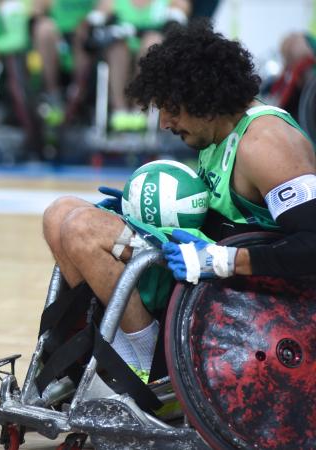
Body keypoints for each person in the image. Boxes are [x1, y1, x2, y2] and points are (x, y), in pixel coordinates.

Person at [41, 20, 316, 382]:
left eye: (172, 108)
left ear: (205, 96)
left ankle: (148, 371)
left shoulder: (265, 144)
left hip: (235, 293)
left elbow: (311, 245)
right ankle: (113, 352)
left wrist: (223, 260)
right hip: (192, 269)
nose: (166, 122)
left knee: (82, 229)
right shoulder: (219, 133)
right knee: (59, 213)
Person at [85, 0, 190, 132]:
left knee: (152, 43)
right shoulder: (111, 3)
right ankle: (119, 110)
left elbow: (179, 25)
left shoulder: (171, 2)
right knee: (117, 48)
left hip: (150, 55)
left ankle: (140, 109)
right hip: (122, 55)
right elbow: (93, 24)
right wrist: (101, 23)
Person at [29, 0, 96, 126]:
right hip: (57, 36)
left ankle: (78, 95)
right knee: (44, 29)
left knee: (83, 31)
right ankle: (52, 95)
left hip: (87, 36)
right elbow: (36, 10)